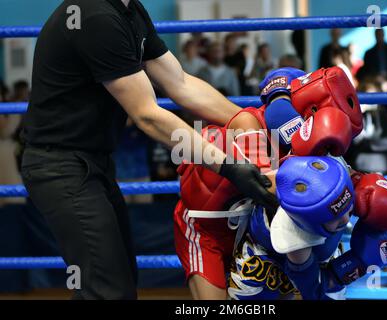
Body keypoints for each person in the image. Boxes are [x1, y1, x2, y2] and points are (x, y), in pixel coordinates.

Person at [20, 0, 275, 300]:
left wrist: (248, 123)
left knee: (116, 282)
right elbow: (147, 115)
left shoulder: (130, 11)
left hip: (92, 164)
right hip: (60, 167)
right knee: (107, 289)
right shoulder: (96, 16)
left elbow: (180, 83)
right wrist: (229, 166)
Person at [174, 67, 307, 300]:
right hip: (205, 230)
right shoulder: (249, 123)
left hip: (253, 230)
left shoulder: (306, 147)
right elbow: (265, 185)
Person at [228, 156, 387, 300]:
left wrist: (363, 183)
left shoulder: (335, 169)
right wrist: (348, 270)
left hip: (320, 251)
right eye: (335, 217)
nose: (345, 219)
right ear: (310, 222)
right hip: (264, 264)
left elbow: (352, 179)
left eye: (348, 207)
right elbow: (312, 291)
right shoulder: (294, 238)